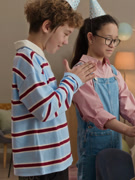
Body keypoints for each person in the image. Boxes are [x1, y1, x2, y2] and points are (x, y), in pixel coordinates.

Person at [11, 0, 96, 179]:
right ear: (47, 26)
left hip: (54, 161)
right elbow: (46, 110)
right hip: (41, 165)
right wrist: (72, 81)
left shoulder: (37, 59)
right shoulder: (26, 59)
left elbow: (53, 105)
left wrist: (71, 82)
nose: (66, 42)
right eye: (66, 34)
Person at [71, 15, 135, 180]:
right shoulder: (79, 72)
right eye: (108, 39)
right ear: (91, 37)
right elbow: (96, 112)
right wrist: (128, 130)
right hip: (92, 147)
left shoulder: (113, 71)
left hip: (115, 144)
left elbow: (128, 106)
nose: (112, 45)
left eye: (116, 40)